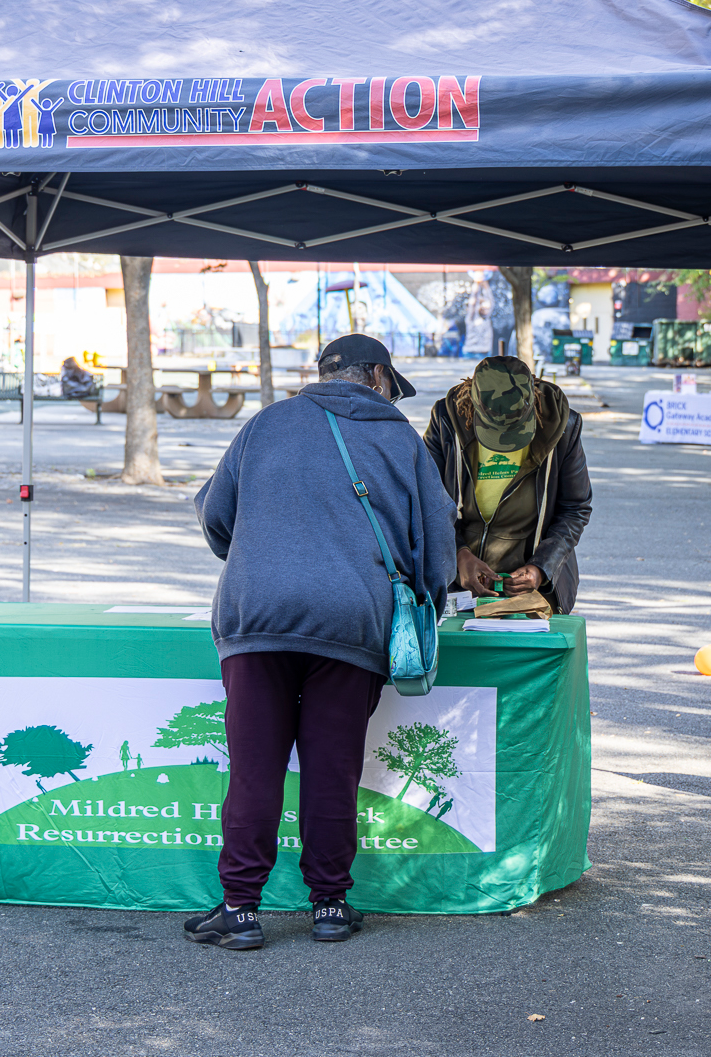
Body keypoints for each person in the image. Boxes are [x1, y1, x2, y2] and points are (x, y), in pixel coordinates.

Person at [189, 333, 455, 950]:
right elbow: (436, 543)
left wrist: (265, 558)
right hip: (352, 619)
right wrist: (427, 599)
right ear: (380, 378)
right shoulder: (401, 440)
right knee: (332, 770)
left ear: (324, 373)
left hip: (256, 616)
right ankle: (330, 906)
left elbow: (214, 515)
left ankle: (241, 908)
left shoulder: (267, 424)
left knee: (254, 771)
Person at [423, 354, 593, 615]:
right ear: (473, 405)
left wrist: (541, 568)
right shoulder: (446, 422)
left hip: (534, 590)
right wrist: (459, 556)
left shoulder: (563, 427)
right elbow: (427, 503)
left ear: (533, 400)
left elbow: (575, 508)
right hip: (459, 586)